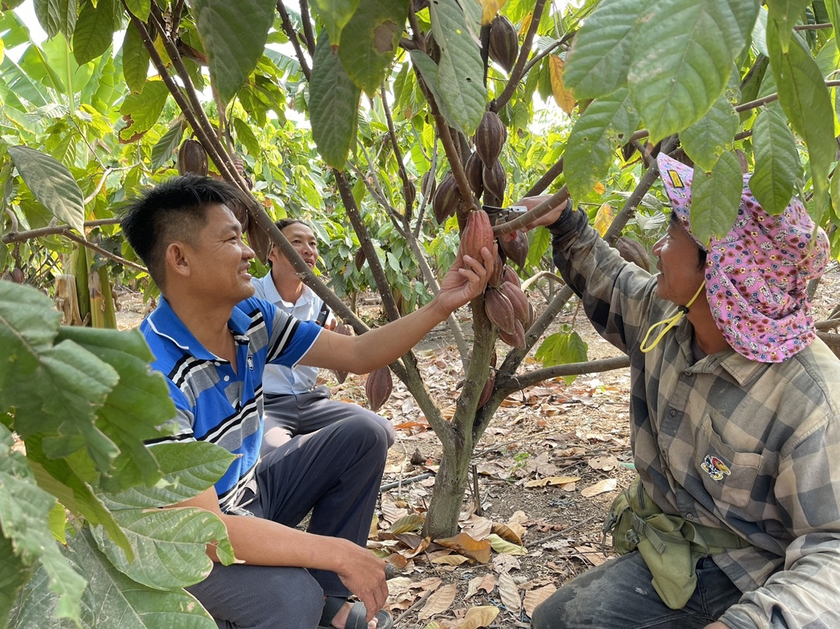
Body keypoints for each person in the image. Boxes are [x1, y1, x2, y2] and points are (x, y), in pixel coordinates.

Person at [119, 175, 493, 629]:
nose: (249, 252)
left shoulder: (249, 318)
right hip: (179, 547)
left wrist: (442, 304)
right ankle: (297, 606)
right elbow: (203, 534)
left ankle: (330, 608)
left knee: (363, 434)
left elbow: (357, 354)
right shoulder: (149, 378)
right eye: (231, 239)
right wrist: (338, 553)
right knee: (290, 598)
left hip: (244, 498)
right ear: (180, 258)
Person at [520, 153, 840, 629]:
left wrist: (749, 623)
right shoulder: (671, 319)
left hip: (755, 573)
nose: (658, 247)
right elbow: (612, 282)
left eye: (673, 236)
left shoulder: (812, 400)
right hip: (676, 546)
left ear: (722, 274)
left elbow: (832, 552)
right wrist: (564, 222)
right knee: (558, 620)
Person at [252, 218, 396, 453]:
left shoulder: (322, 302)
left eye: (313, 243)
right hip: (266, 405)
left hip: (311, 401)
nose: (308, 250)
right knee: (276, 453)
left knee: (381, 430)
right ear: (272, 252)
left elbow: (348, 351)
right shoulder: (253, 296)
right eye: (296, 242)